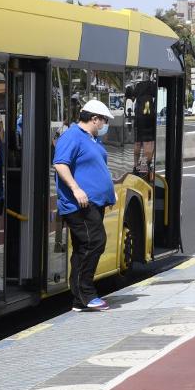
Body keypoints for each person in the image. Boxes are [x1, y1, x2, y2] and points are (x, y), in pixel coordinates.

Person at [53, 99, 117, 313]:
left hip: (93, 203)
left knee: (83, 247)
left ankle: (80, 299)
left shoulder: (92, 139)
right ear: (94, 119)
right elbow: (60, 163)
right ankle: (86, 293)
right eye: (104, 120)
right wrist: (76, 189)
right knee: (94, 242)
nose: (105, 124)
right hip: (79, 204)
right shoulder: (72, 136)